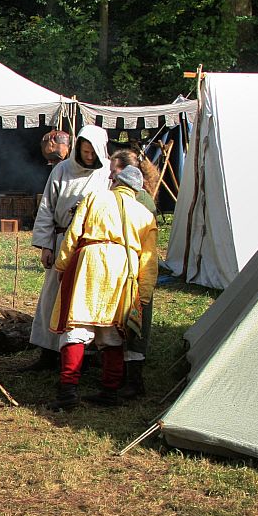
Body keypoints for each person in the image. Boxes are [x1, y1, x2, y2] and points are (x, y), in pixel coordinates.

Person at [47, 165, 158, 410]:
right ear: (136, 190)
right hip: (124, 268)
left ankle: (68, 393)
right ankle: (109, 392)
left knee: (78, 326)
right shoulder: (145, 215)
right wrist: (145, 293)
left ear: (117, 182)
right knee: (111, 332)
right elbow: (149, 261)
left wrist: (62, 265)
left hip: (90, 262)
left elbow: (74, 233)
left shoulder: (96, 196)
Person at [26, 125, 112, 371]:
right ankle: (48, 353)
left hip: (93, 245)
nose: (88, 156)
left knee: (87, 298)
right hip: (63, 241)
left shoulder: (106, 173)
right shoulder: (62, 170)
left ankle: (84, 354)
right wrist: (45, 245)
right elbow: (47, 209)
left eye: (92, 152)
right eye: (85, 151)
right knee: (52, 298)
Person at [109, 149, 158, 397]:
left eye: (115, 174)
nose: (111, 180)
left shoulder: (140, 203)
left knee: (135, 325)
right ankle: (117, 376)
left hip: (135, 272)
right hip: (122, 270)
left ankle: (134, 382)